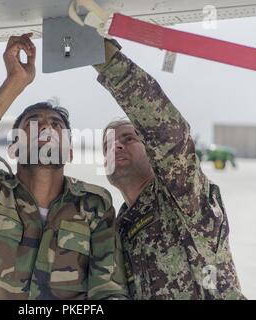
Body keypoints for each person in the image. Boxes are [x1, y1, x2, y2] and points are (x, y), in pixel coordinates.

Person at [0, 33, 128, 300]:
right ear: (14, 147)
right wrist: (15, 82)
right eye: (33, 123)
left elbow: (108, 290)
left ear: (69, 151)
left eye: (57, 125)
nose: (46, 126)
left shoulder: (94, 205)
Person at [95, 39, 245, 299]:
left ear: (151, 150)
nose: (116, 146)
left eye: (128, 138)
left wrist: (103, 58)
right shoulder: (117, 230)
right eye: (108, 144)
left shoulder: (182, 197)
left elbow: (168, 133)